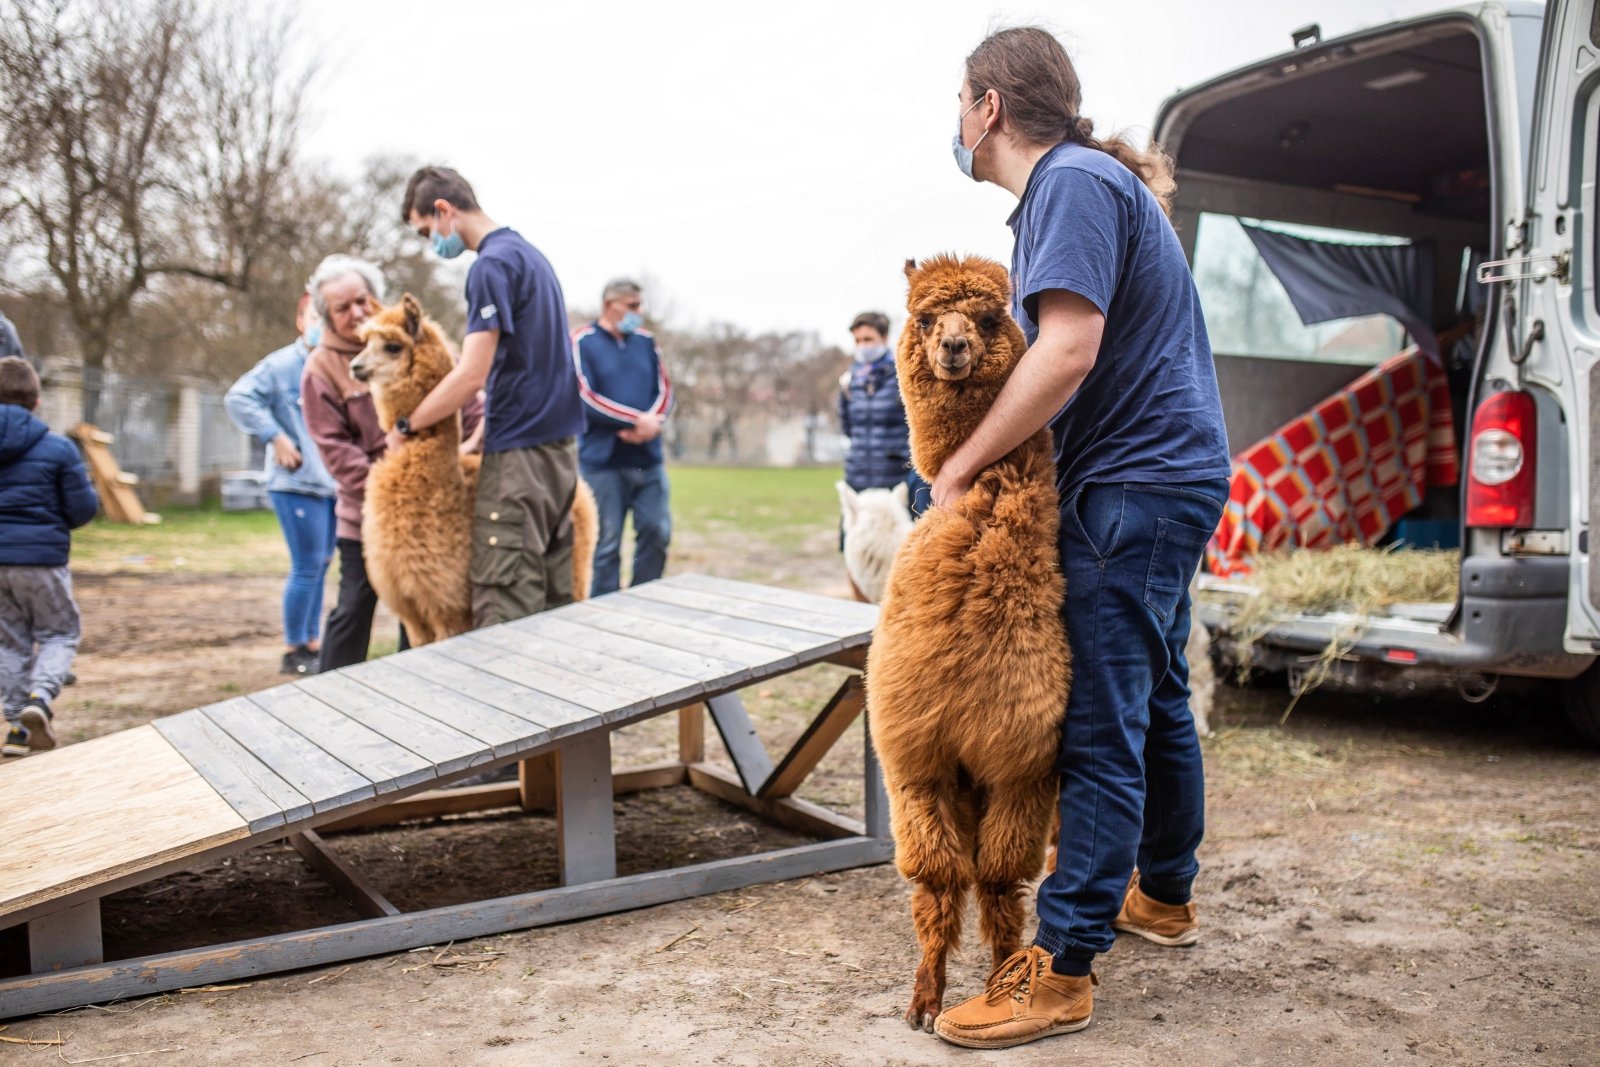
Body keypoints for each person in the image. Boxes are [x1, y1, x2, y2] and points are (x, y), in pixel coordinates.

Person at [926, 27, 1231, 1049]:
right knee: (1154, 695)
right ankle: (1165, 890)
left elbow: (1066, 346)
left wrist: (961, 464)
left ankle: (1059, 966)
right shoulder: (1098, 184)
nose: (954, 120)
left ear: (991, 108)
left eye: (958, 100)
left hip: (1133, 486)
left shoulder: (1067, 185)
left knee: (1101, 722)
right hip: (1170, 474)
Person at [397, 166, 585, 626]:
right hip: (559, 457)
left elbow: (471, 374)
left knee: (504, 609)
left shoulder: (490, 266)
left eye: (426, 231)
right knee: (554, 606)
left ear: (444, 211)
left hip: (520, 466)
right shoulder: (531, 257)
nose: (431, 243)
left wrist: (408, 424)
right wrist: (483, 431)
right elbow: (522, 367)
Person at [300, 254, 484, 672]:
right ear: (327, 316)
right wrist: (393, 481)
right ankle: (327, 697)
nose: (357, 312)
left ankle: (417, 696)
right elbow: (334, 449)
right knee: (353, 608)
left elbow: (468, 407)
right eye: (342, 308)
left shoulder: (421, 349)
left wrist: (467, 445)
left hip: (433, 506)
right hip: (367, 513)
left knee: (426, 610)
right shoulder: (322, 369)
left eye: (362, 300)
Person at [224, 294, 337, 675]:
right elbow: (238, 398)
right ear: (300, 320)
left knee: (321, 564)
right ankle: (294, 649)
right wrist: (275, 436)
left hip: (327, 485)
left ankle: (314, 643)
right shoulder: (281, 365)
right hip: (294, 483)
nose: (321, 325)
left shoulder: (332, 365)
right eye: (314, 317)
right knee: (306, 565)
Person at [0, 356, 97, 758]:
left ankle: (16, 729)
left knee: (9, 642)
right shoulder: (57, 448)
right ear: (36, 401)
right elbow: (82, 509)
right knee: (59, 633)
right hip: (42, 562)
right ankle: (40, 698)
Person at [570, 278, 674, 596]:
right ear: (609, 306)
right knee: (605, 545)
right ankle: (606, 613)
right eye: (632, 306)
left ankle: (644, 599)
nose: (638, 313)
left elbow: (665, 390)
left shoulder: (646, 342)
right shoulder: (582, 341)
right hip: (604, 464)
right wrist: (633, 421)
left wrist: (651, 423)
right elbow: (584, 396)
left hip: (648, 460)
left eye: (639, 305)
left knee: (657, 532)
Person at [839, 310, 929, 517]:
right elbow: (847, 428)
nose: (863, 345)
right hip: (858, 478)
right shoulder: (849, 381)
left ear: (885, 338)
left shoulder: (904, 376)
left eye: (868, 339)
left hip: (897, 480)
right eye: (858, 340)